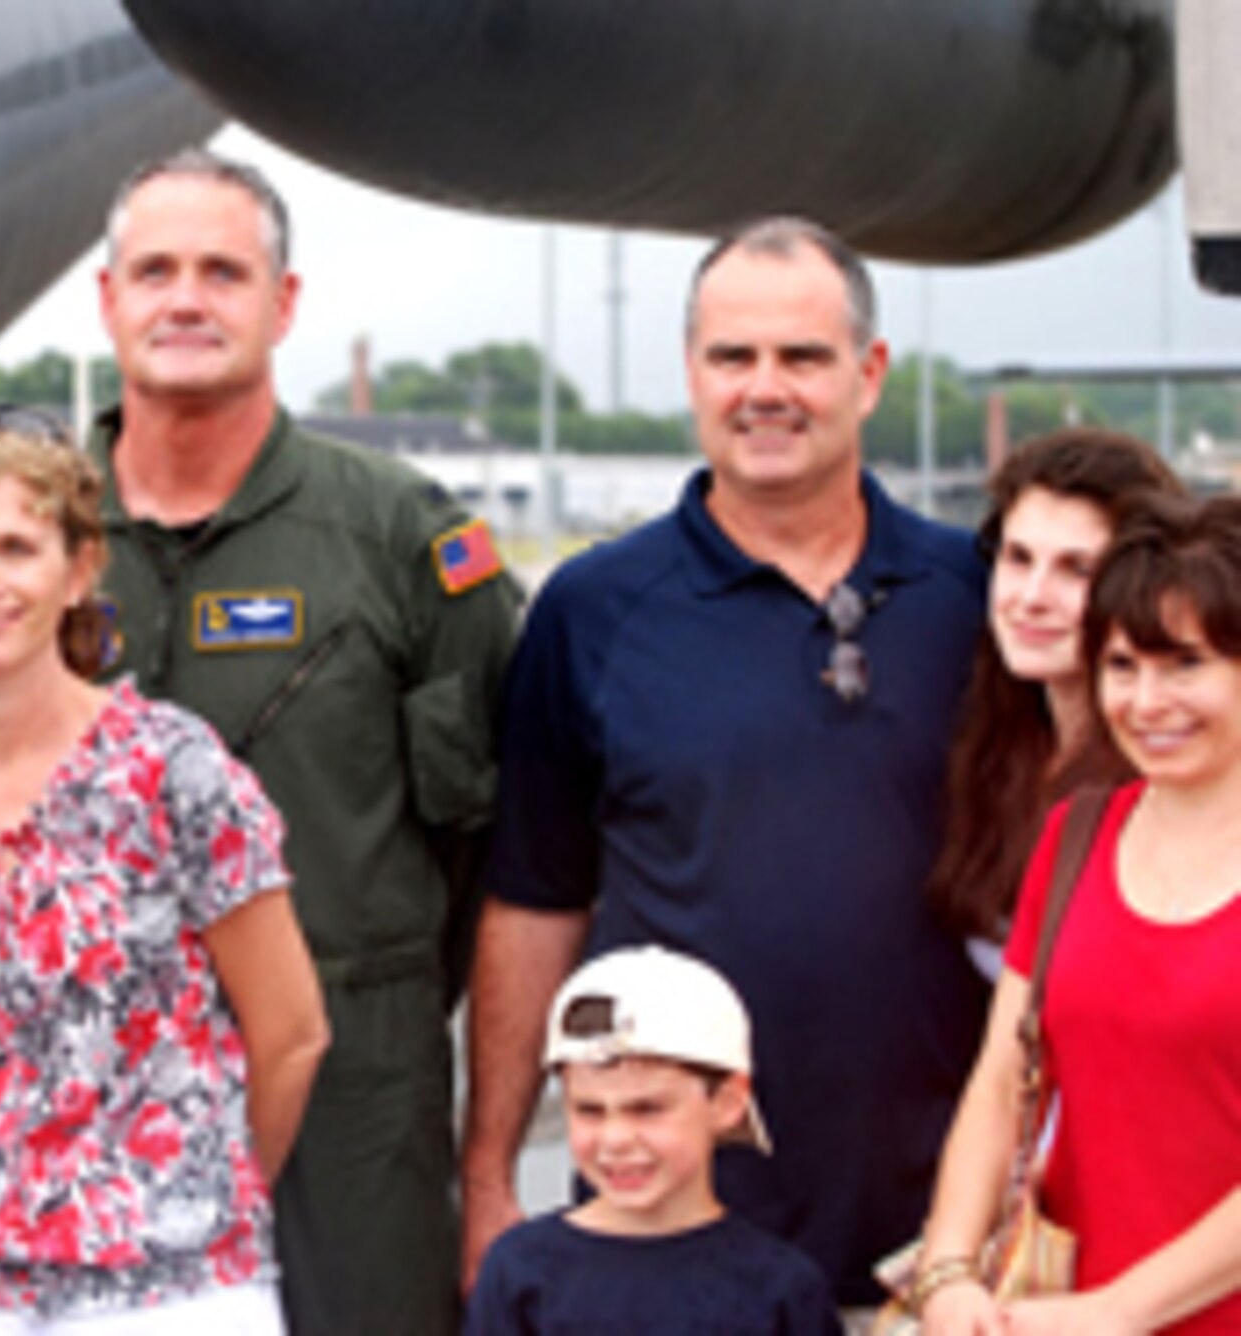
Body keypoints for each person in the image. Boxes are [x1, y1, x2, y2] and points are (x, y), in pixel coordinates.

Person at [462, 216, 988, 1311]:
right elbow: (532, 903)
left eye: (800, 356)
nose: (765, 388)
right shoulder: (592, 611)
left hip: (945, 1246)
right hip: (672, 1249)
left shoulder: (979, 601)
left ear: (868, 371)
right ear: (691, 373)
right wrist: (487, 1177)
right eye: (730, 357)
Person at [89, 147, 521, 1336]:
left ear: (282, 304)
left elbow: (500, 855)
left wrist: (483, 1162)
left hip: (355, 1115)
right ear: (107, 299)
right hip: (89, 1113)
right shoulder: (28, 537)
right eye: (156, 269)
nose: (185, 298)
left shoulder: (400, 542)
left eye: (222, 271)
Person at [0, 413, 330, 1331]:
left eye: (17, 547)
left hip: (175, 1292)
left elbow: (293, 1033)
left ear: (79, 568)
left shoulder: (172, 769)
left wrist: (192, 1206)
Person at [917, 492, 1241, 1336]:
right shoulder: (1077, 835)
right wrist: (948, 1268)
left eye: (1186, 665)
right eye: (1122, 666)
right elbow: (1000, 1077)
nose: (1146, 701)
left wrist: (1120, 1311)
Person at [466, 946, 838, 1335]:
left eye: (646, 1109)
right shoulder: (518, 1270)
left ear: (728, 1103)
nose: (615, 1139)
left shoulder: (783, 1288)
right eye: (589, 1110)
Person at [927, 428, 1183, 976]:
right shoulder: (1001, 749)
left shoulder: (1171, 779)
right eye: (1019, 558)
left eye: (1077, 569)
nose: (1032, 597)